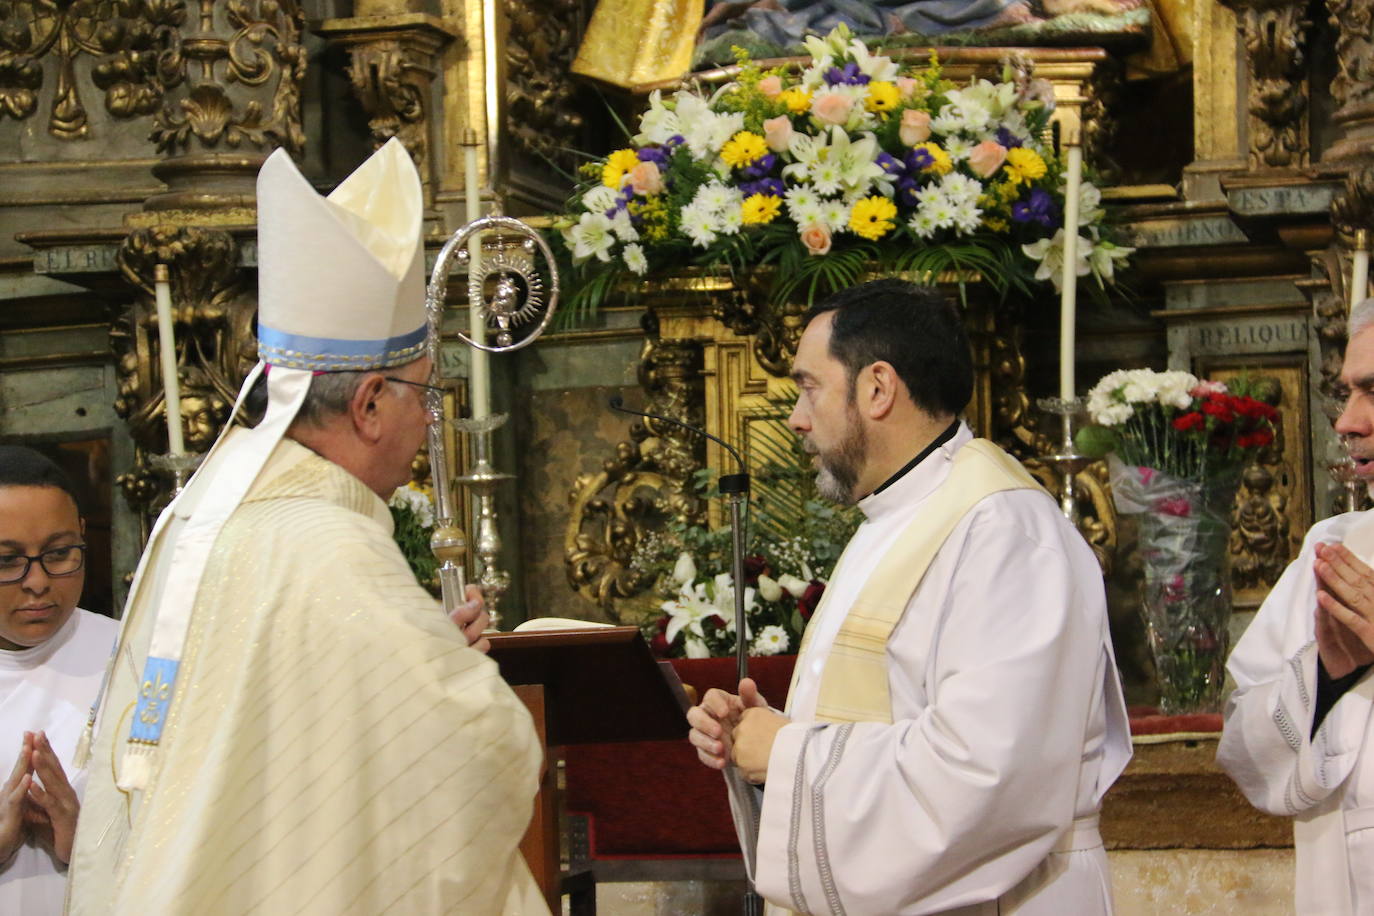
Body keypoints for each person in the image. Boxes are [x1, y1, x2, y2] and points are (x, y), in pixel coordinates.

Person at [64, 140, 548, 915]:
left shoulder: (212, 503)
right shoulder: (327, 543)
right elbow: (478, 747)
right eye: (424, 395)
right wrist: (442, 679)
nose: (429, 421)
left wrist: (409, 658)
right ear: (367, 406)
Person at [687, 278, 1131, 915]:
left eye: (809, 386)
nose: (795, 417)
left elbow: (990, 775)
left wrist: (786, 753)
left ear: (877, 388)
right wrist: (756, 744)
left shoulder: (1003, 531)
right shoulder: (896, 519)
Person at [1218, 296, 1374, 915]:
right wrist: (1330, 676)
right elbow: (1245, 750)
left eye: (1373, 391)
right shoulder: (1336, 548)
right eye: (1347, 394)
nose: (1346, 423)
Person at [0, 446, 117, 914]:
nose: (37, 582)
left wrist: (86, 846)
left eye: (59, 553)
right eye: (7, 561)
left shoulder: (132, 660)